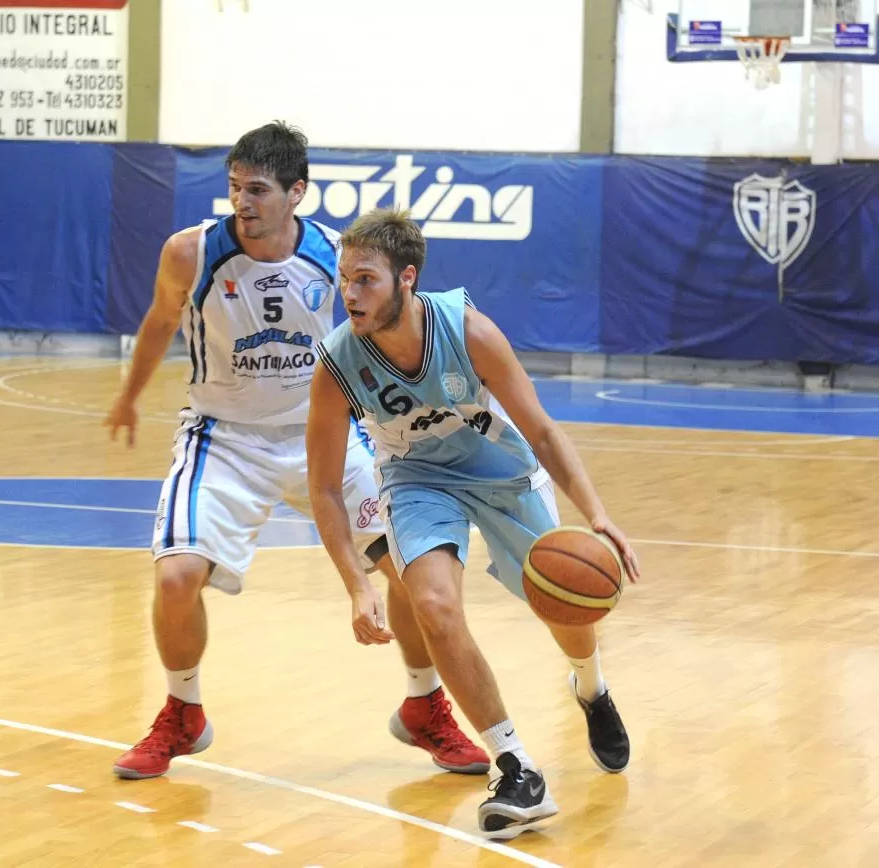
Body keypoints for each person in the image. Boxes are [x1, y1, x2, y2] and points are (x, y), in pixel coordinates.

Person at [103, 123, 488, 780]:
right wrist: (128, 396)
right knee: (174, 577)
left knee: (408, 570)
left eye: (257, 190)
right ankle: (183, 712)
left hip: (326, 433)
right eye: (234, 188)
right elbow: (160, 322)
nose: (242, 203)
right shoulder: (189, 254)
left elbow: (384, 342)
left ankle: (425, 706)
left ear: (297, 192)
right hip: (224, 437)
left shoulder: (337, 258)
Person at [306, 208, 640, 839]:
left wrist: (597, 516)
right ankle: (514, 764)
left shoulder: (468, 332)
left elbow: (541, 429)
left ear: (407, 280)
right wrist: (356, 583)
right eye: (345, 279)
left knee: (565, 604)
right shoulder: (338, 361)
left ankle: (591, 688)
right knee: (433, 605)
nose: (350, 294)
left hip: (501, 472)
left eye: (366, 280)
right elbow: (322, 486)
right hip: (417, 481)